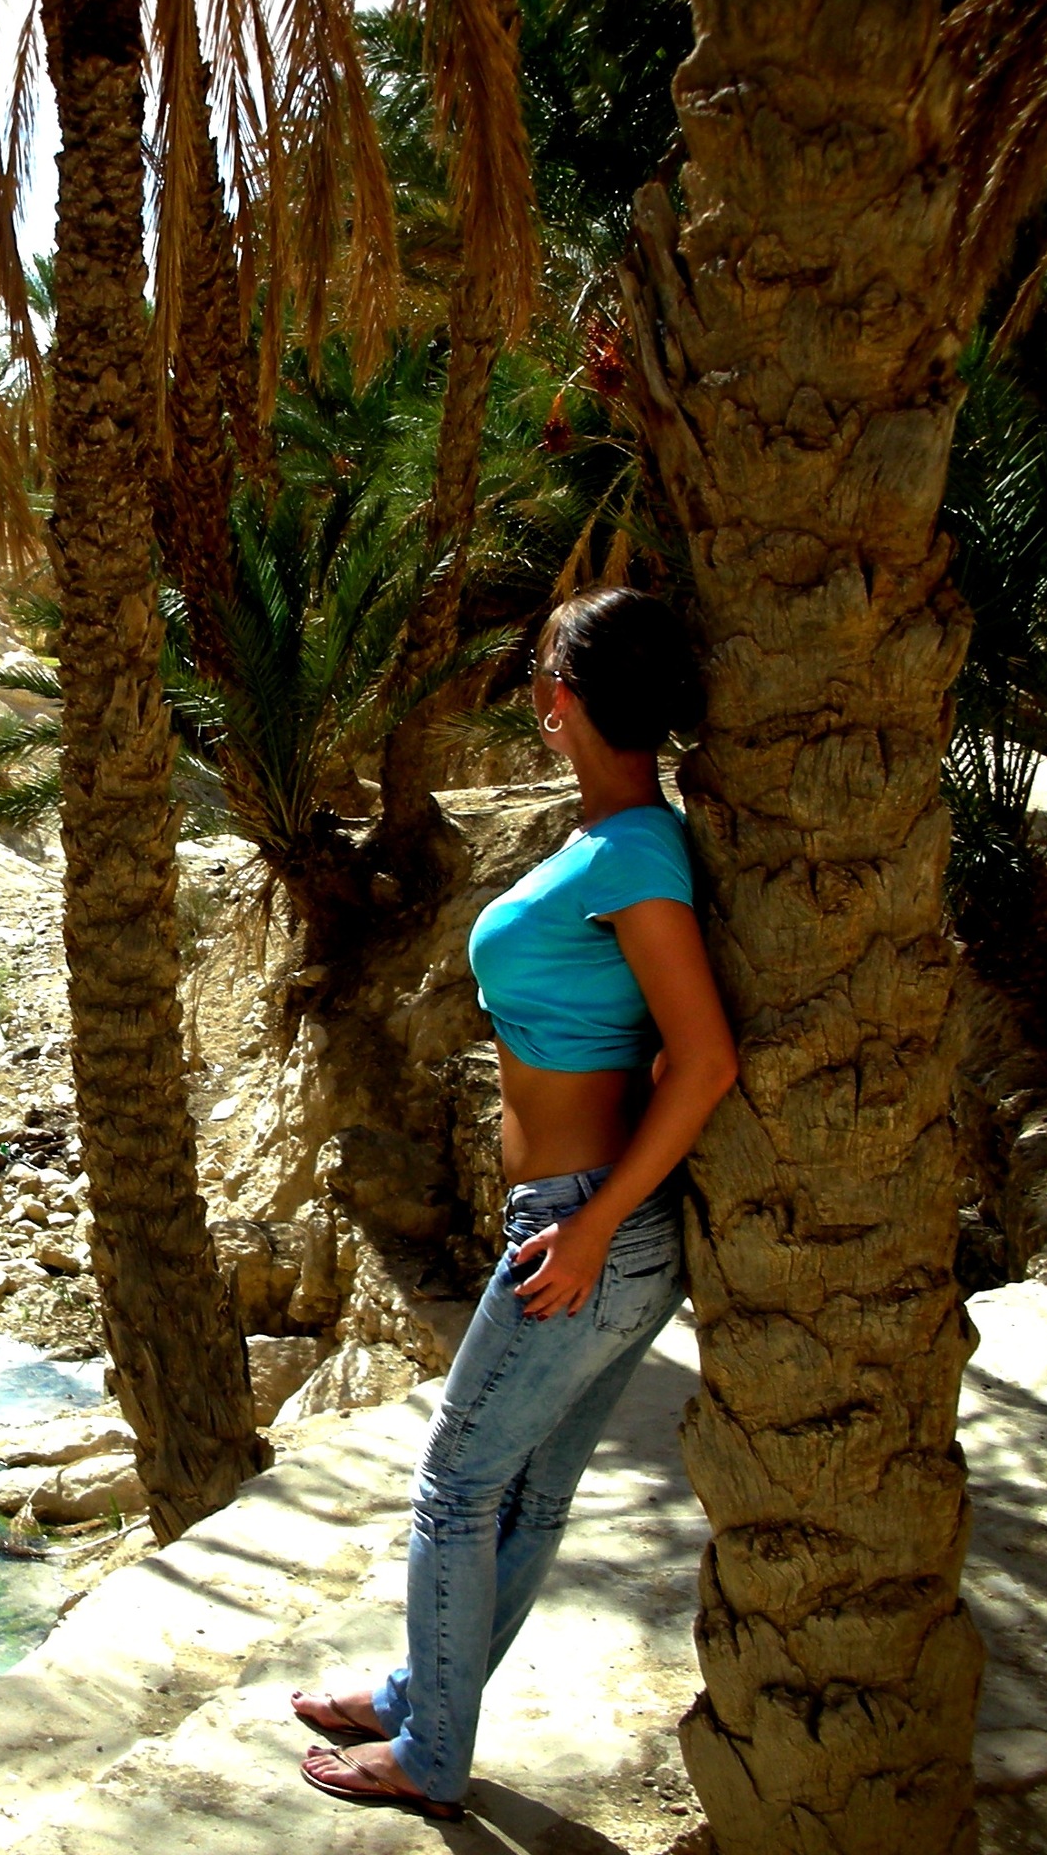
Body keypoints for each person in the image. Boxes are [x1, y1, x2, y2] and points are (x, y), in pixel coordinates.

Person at [293, 585, 738, 1821]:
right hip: (596, 1221)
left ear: (560, 701)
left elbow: (703, 1059)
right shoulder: (614, 841)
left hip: (590, 1224)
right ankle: (417, 1697)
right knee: (529, 1489)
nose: (532, 680)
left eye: (542, 662)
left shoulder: (636, 853)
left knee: (454, 1484)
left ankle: (430, 1753)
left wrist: (589, 1226)